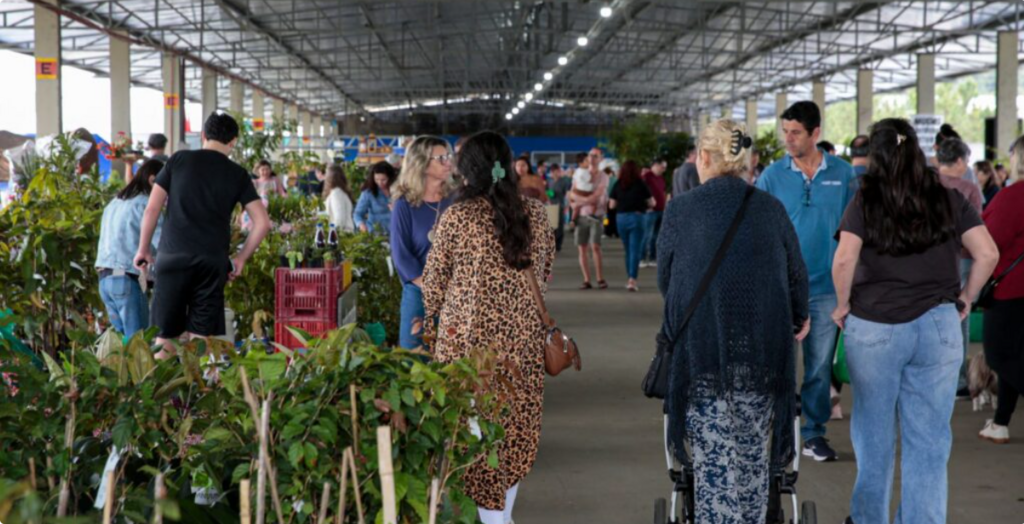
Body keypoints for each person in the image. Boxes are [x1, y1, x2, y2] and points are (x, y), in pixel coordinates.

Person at [831, 118, 998, 524]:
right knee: (929, 441)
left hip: (875, 326)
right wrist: (966, 297)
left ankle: (870, 518)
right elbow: (988, 254)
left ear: (877, 156)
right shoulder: (949, 198)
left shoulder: (865, 200)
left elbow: (845, 258)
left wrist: (841, 305)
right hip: (938, 327)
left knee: (874, 437)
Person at [660, 119, 809, 524]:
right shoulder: (772, 209)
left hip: (701, 358)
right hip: (760, 359)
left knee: (713, 468)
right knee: (752, 463)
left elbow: (667, 280)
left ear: (704, 158)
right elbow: (796, 274)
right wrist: (800, 318)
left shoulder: (681, 210)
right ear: (745, 160)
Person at [422, 131, 554, 524]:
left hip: (467, 354)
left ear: (468, 171)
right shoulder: (536, 215)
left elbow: (433, 286)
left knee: (473, 436)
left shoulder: (457, 217)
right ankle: (501, 516)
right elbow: (544, 276)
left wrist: (433, 324)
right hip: (523, 349)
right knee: (513, 435)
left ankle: (494, 519)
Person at [755, 100, 857, 462]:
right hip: (781, 289)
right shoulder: (771, 176)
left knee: (818, 366)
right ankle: (781, 432)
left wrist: (851, 290)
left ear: (816, 133)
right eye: (785, 132)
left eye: (795, 132)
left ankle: (813, 433)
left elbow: (855, 234)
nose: (788, 139)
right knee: (779, 363)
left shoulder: (845, 176)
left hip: (827, 291)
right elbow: (761, 233)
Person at [135, 112, 271, 358]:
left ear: (204, 135)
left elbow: (151, 209)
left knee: (165, 338)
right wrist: (240, 258)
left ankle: (160, 395)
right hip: (211, 263)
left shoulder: (177, 161)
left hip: (172, 258)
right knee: (200, 339)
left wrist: (143, 249)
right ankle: (195, 392)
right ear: (233, 142)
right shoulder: (238, 174)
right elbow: (262, 223)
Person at [977, 135, 1024, 444]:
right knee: (1017, 355)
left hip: (1011, 292)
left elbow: (986, 244)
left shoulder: (1011, 197)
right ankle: (1000, 421)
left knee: (999, 355)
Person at [390, 135, 454, 350]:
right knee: (414, 363)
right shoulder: (404, 204)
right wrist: (431, 286)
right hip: (418, 294)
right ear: (422, 163)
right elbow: (401, 255)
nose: (448, 162)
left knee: (453, 365)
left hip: (456, 294)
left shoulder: (456, 200)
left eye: (448, 156)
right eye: (441, 158)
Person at [937, 138, 984, 395]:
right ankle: (958, 381)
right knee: (960, 317)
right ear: (958, 161)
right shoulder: (968, 188)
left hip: (931, 262)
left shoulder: (925, 184)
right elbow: (977, 228)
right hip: (963, 258)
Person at [95, 159, 164, 337]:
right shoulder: (147, 206)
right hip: (126, 280)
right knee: (139, 345)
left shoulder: (114, 203)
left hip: (105, 280)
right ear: (152, 180)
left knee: (121, 345)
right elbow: (164, 244)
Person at [609, 160, 654, 291]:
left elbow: (611, 205)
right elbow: (652, 203)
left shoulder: (618, 184)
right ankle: (632, 280)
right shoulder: (641, 184)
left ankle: (630, 276)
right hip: (637, 218)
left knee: (628, 249)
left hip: (621, 218)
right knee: (635, 250)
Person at [573, 148, 610, 289]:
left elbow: (598, 195)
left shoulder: (603, 176)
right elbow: (572, 194)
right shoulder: (579, 174)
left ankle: (600, 278)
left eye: (596, 156)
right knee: (582, 248)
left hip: (597, 216)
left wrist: (580, 200)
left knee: (595, 246)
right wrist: (583, 201)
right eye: (590, 155)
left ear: (601, 158)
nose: (592, 158)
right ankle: (586, 279)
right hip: (581, 215)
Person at [354, 161, 396, 234]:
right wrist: (361, 224)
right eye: (376, 179)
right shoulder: (368, 193)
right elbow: (357, 214)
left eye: (383, 180)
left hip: (395, 233)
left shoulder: (398, 191)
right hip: (375, 234)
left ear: (390, 178)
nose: (380, 183)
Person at [640, 158, 667, 268]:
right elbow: (639, 191)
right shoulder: (646, 176)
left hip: (661, 210)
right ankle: (641, 258)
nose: (664, 169)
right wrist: (645, 206)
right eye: (662, 166)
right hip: (650, 212)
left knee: (656, 236)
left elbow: (663, 192)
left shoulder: (660, 178)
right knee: (646, 235)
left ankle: (652, 258)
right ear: (655, 165)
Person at [323, 164, 355, 232]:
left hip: (342, 235)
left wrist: (329, 233)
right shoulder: (340, 192)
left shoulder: (336, 193)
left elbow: (340, 220)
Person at [548, 163, 572, 252]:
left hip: (560, 205)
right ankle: (552, 243)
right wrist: (549, 194)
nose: (557, 173)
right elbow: (547, 192)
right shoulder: (549, 181)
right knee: (551, 225)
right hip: (551, 206)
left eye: (558, 171)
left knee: (560, 225)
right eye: (555, 171)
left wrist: (567, 205)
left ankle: (558, 244)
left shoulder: (564, 181)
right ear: (552, 172)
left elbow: (568, 194)